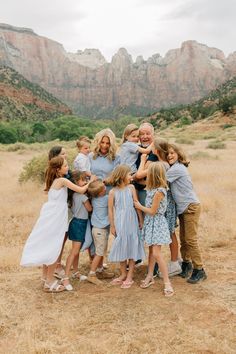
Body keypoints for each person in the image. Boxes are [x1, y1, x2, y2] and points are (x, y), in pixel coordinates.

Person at [20, 156, 92, 293]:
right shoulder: (62, 180)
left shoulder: (55, 180)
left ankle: (45, 277)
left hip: (51, 215)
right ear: (58, 169)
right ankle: (49, 282)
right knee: (54, 247)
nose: (68, 168)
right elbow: (81, 190)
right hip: (56, 217)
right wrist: (91, 181)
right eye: (65, 166)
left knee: (50, 245)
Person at [136, 137, 181, 277]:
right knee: (169, 230)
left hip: (164, 202)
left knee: (170, 230)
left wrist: (143, 161)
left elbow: (138, 175)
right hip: (165, 200)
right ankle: (175, 260)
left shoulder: (160, 165)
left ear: (156, 150)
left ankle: (174, 261)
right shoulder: (163, 164)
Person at [166, 144, 207, 284]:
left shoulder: (177, 168)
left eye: (172, 153)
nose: (170, 155)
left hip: (190, 207)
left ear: (178, 154)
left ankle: (199, 269)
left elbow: (159, 179)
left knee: (190, 239)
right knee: (183, 239)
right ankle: (186, 264)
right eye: (167, 154)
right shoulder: (173, 168)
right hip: (183, 208)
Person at [134, 163, 174, 296]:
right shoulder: (151, 188)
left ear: (154, 175)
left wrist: (139, 206)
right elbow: (138, 177)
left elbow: (152, 211)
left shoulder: (159, 191)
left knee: (156, 253)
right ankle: (150, 276)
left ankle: (167, 282)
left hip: (156, 222)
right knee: (151, 251)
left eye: (149, 172)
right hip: (151, 223)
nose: (146, 174)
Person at [108, 165, 145, 289]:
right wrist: (112, 226)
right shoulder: (112, 192)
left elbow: (136, 204)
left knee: (132, 246)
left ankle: (130, 275)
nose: (131, 177)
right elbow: (110, 210)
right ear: (122, 176)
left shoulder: (131, 188)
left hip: (132, 221)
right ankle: (123, 274)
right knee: (121, 246)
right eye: (130, 174)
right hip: (120, 221)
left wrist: (140, 220)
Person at [62, 170, 92, 291]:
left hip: (75, 222)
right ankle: (65, 277)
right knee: (74, 251)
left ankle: (76, 272)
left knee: (76, 250)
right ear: (75, 182)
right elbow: (89, 209)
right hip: (80, 223)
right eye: (83, 180)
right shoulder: (82, 196)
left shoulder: (73, 195)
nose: (85, 182)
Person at [86, 179, 114, 285]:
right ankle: (92, 274)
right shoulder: (106, 198)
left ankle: (100, 270)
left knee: (101, 251)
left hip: (98, 229)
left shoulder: (93, 199)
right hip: (100, 230)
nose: (105, 188)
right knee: (99, 252)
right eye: (103, 188)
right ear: (100, 193)